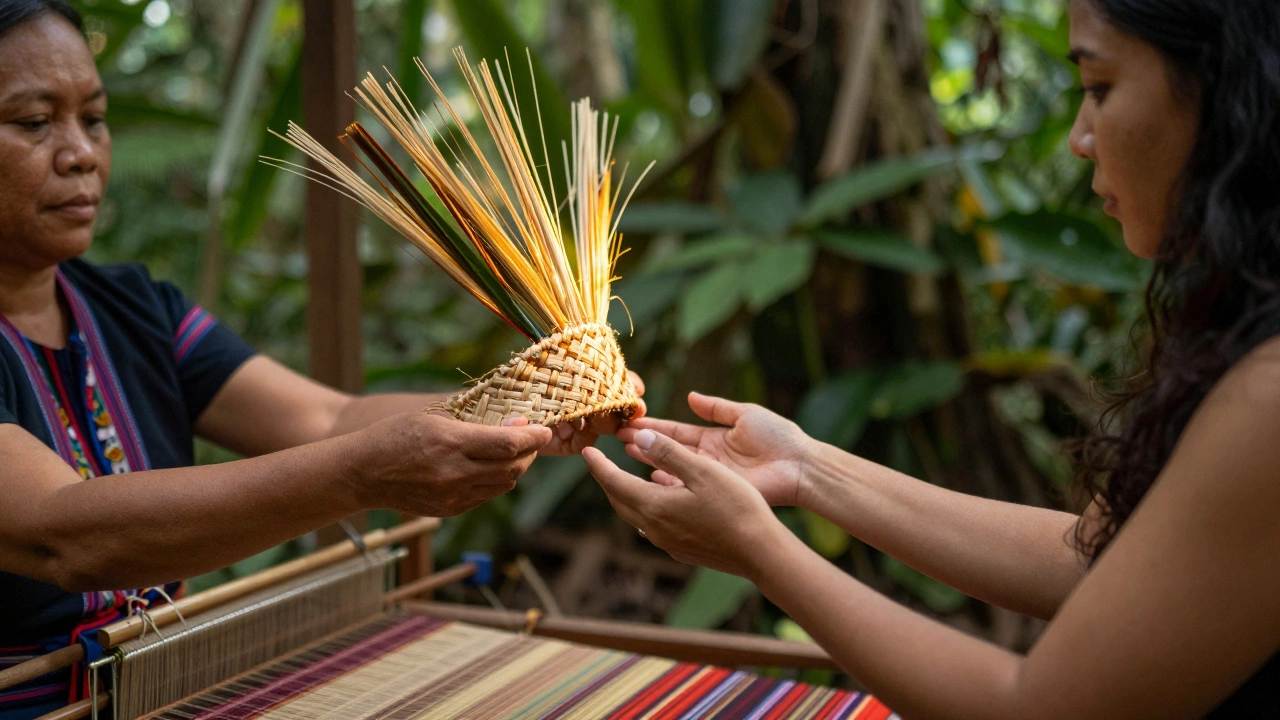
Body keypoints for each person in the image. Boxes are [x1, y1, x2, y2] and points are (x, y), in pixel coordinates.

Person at [585, 0, 1279, 717]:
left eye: (1099, 87)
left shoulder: (1268, 395)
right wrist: (806, 468)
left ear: (1235, 90)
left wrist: (759, 550)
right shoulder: (1242, 326)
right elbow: (1095, 558)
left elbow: (1037, 708)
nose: (1079, 136)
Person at [0, 2, 642, 717]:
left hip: (167, 694)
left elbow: (327, 415)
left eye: (93, 118)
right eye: (33, 122)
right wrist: (364, 475)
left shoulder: (135, 308)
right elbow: (63, 534)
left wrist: (537, 403)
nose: (81, 152)